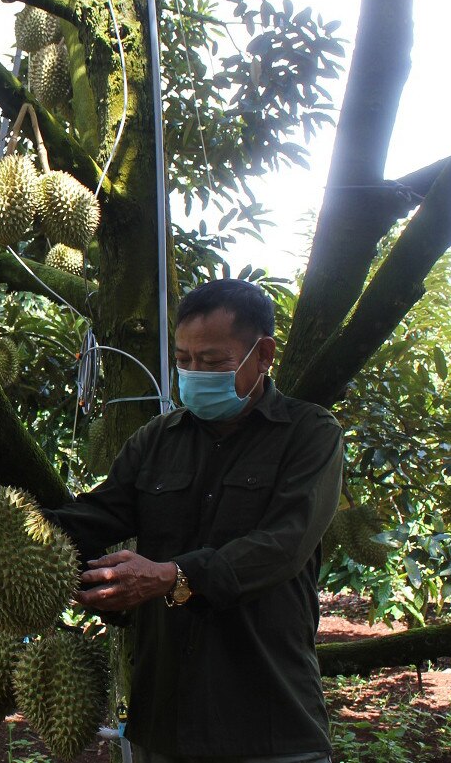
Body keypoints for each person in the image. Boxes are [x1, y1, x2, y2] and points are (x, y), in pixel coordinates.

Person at [44, 278, 344, 763]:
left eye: (212, 362)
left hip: (267, 722)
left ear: (263, 354)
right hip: (165, 722)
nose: (193, 373)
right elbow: (98, 514)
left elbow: (283, 544)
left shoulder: (310, 435)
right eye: (183, 360)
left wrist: (173, 576)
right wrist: (14, 525)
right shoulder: (157, 439)